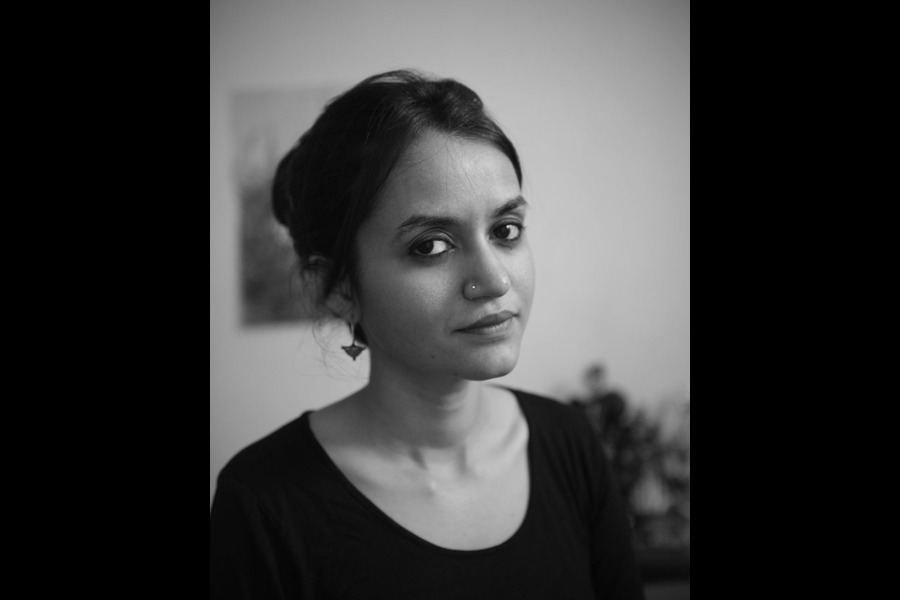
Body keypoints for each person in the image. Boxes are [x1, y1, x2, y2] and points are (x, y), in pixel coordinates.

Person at [210, 69, 645, 600]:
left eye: (505, 230)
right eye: (431, 245)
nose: (495, 281)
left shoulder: (569, 443)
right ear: (338, 288)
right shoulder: (264, 503)